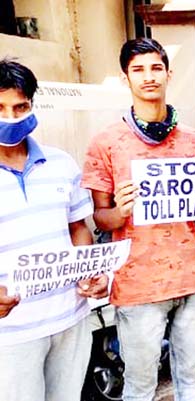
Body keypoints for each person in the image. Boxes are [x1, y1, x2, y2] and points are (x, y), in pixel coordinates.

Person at [81, 38, 195, 401]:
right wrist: (119, 211)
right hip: (137, 287)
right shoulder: (105, 143)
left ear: (169, 73)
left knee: (191, 382)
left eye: (155, 68)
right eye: (138, 70)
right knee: (140, 386)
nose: (148, 77)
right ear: (126, 79)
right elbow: (100, 219)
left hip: (194, 281)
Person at [0, 58, 109, 401]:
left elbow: (78, 228)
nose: (11, 117)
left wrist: (88, 270)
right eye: (0, 108)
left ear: (33, 105)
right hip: (12, 333)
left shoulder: (62, 163)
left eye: (21, 106)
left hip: (69, 319)